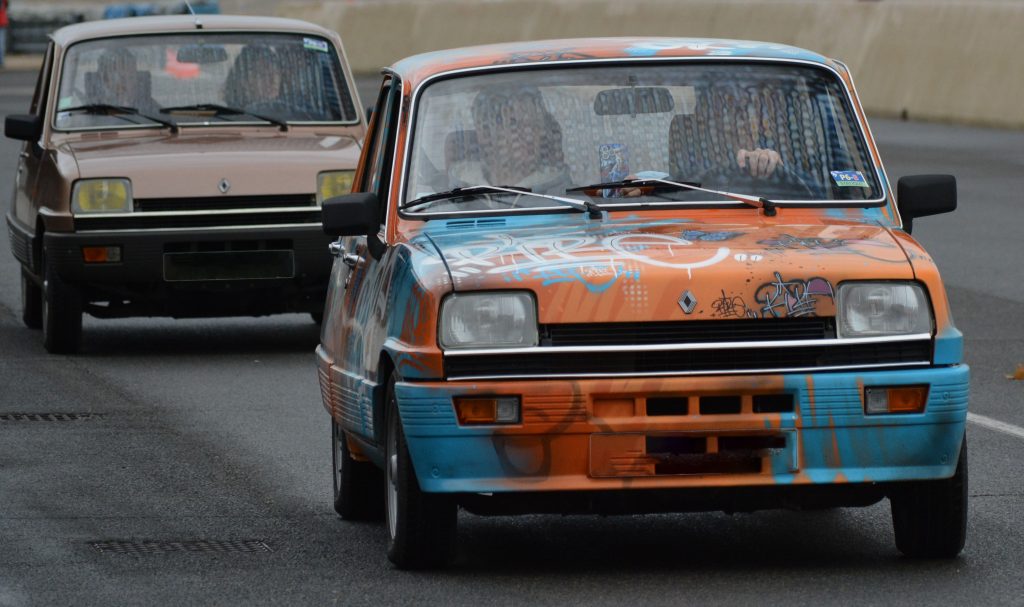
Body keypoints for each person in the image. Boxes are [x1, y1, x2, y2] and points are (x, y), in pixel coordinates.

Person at [447, 86, 573, 198]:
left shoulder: (570, 201)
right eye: (514, 124)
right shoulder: (451, 197)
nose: (530, 135)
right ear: (486, 133)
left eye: (536, 124)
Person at [224, 45, 288, 116]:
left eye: (276, 73)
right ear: (244, 81)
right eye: (263, 74)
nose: (273, 80)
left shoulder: (293, 114)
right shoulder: (228, 118)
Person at [92, 48, 159, 111]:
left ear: (137, 79)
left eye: (131, 77)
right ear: (105, 80)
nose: (126, 84)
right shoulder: (93, 110)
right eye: (120, 78)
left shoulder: (152, 110)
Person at [0, 0, 9, 69]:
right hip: (2, 22)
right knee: (1, 43)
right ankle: (1, 62)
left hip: (2, 22)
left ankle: (1, 61)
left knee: (1, 44)